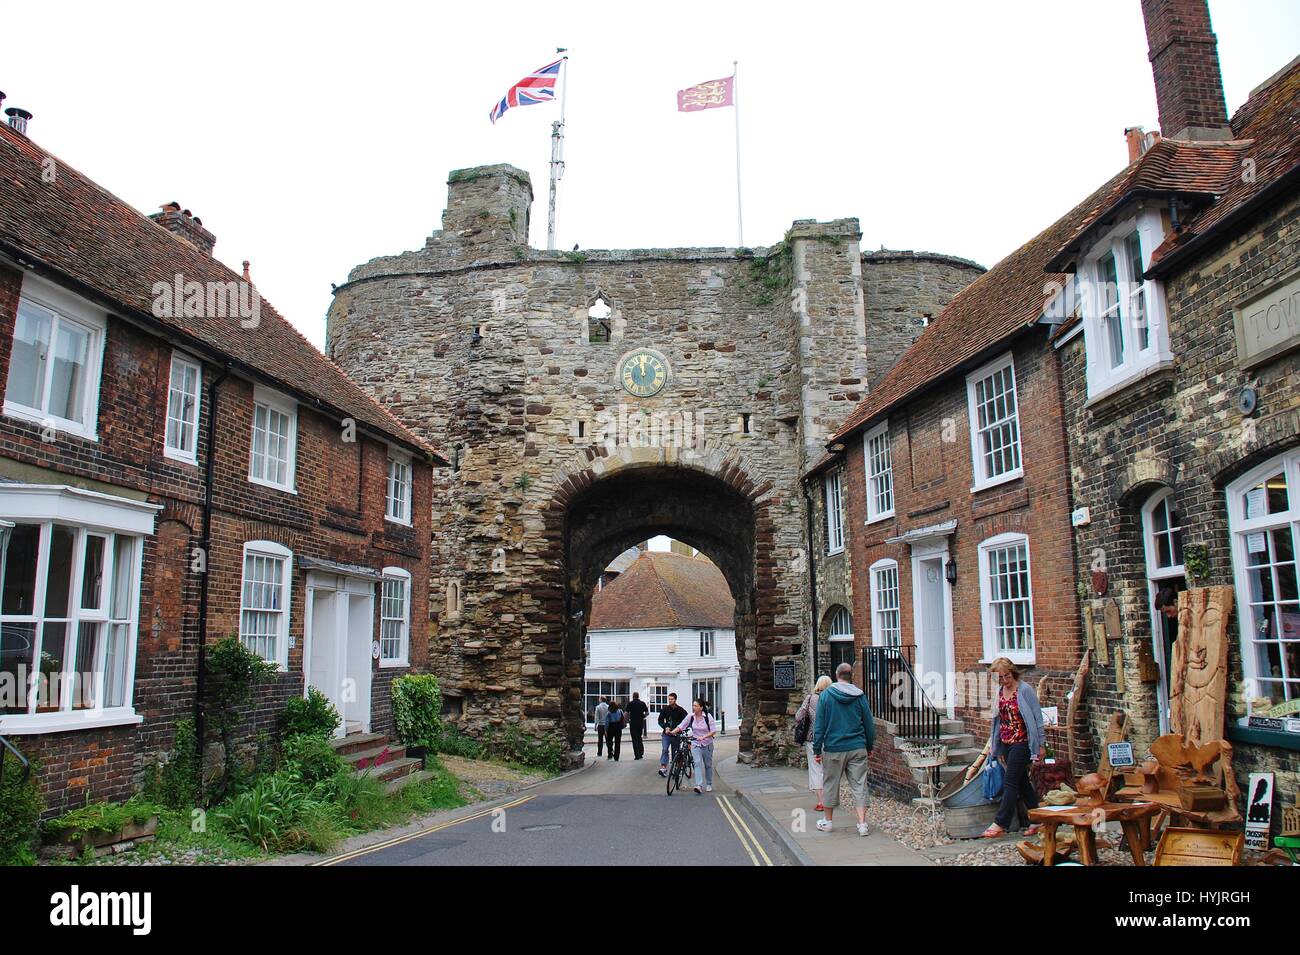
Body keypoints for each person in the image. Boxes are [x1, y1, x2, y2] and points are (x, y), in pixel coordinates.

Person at [981, 657, 1045, 838]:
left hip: (1023, 742)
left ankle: (1000, 822)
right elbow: (997, 721)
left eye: (1006, 676)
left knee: (1010, 781)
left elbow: (1037, 719)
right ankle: (1039, 819)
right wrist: (996, 746)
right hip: (1006, 742)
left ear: (1013, 672)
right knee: (1023, 782)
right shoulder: (1000, 692)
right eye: (999, 678)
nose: (1004, 681)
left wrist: (1040, 744)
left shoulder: (1024, 691)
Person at [812, 662, 875, 836]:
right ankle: (862, 824)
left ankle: (828, 822)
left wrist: (817, 749)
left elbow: (819, 726)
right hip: (857, 747)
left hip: (833, 748)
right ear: (851, 676)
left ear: (836, 675)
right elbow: (869, 724)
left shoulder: (826, 696)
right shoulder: (860, 696)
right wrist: (869, 745)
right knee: (859, 784)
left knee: (830, 784)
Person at [796, 675, 832, 811]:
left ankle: (822, 802)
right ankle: (831, 799)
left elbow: (798, 716)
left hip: (813, 739)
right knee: (829, 770)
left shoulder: (810, 699)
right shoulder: (832, 699)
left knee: (816, 770)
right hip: (831, 740)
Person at [671, 698, 718, 793]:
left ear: (701, 707)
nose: (694, 707)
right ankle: (698, 785)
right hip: (695, 743)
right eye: (693, 705)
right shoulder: (690, 716)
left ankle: (709, 783)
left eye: (696, 706)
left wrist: (704, 736)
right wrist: (672, 732)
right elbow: (681, 726)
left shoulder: (708, 717)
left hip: (707, 744)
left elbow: (713, 731)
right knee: (697, 763)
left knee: (708, 765)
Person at [657, 692, 688, 778]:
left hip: (676, 734)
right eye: (669, 699)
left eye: (672, 699)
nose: (670, 701)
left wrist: (682, 729)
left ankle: (676, 769)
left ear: (675, 700)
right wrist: (665, 727)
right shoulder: (665, 709)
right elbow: (660, 720)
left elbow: (686, 720)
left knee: (676, 752)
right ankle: (663, 768)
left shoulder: (681, 710)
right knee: (664, 749)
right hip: (666, 734)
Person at [626, 692, 649, 760]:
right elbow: (647, 713)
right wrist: (643, 716)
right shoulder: (642, 703)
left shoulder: (630, 703)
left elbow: (627, 713)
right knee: (639, 737)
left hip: (633, 722)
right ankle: (641, 752)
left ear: (633, 696)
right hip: (640, 722)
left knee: (634, 739)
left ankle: (637, 755)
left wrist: (626, 721)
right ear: (638, 696)